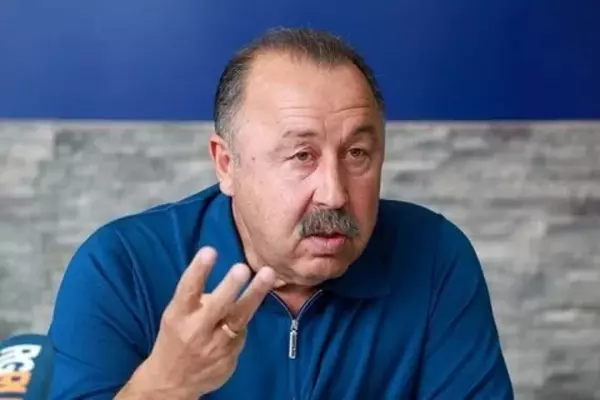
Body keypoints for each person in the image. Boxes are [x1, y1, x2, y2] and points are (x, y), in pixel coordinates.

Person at [48, 27, 514, 399]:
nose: (334, 194)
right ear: (226, 164)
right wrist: (164, 386)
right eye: (301, 156)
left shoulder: (433, 257)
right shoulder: (121, 267)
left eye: (356, 154)